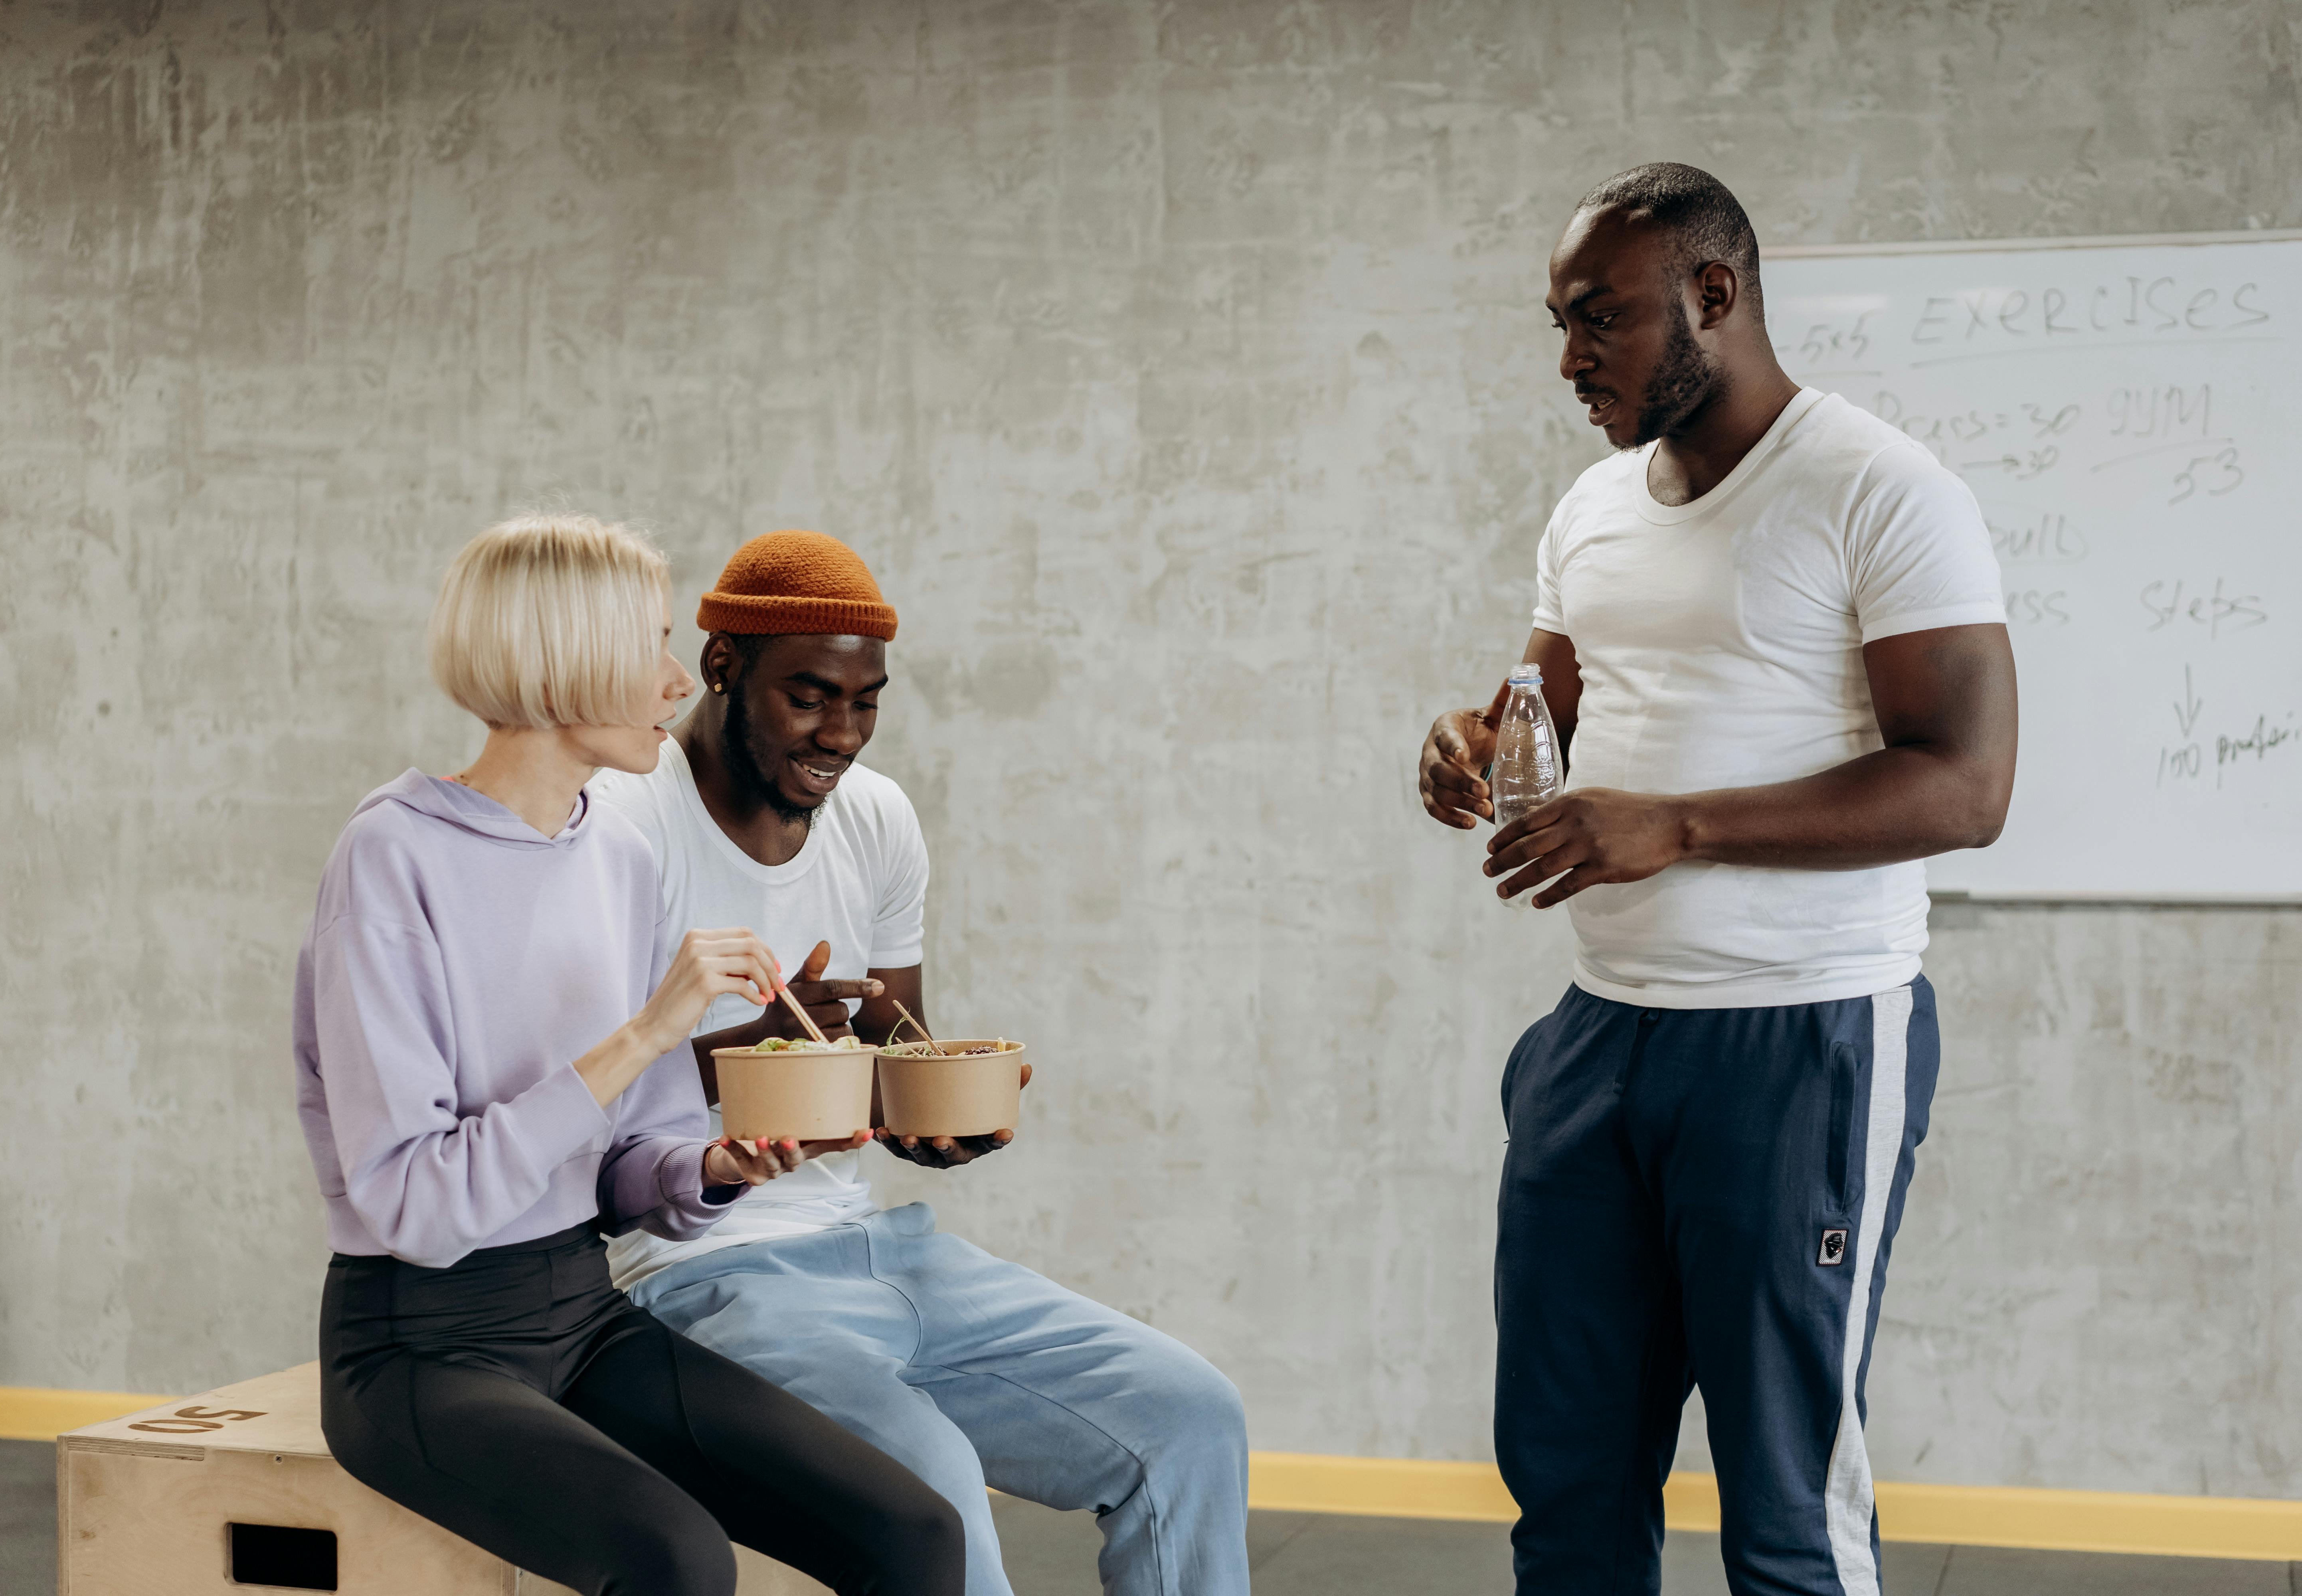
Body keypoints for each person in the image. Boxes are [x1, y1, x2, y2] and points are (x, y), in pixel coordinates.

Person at [1416, 166, 2017, 1596]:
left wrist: (1678, 826)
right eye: (1561, 324)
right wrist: (1463, 743)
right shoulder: (1592, 508)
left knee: (1787, 1513)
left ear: (1717, 295)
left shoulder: (1882, 488)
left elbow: (1967, 786)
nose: (1571, 359)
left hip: (1803, 1040)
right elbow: (1533, 714)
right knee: (1566, 1490)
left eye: (1602, 320)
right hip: (1600, 1036)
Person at [295, 513, 965, 1596]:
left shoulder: (612, 849)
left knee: (914, 1532)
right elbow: (415, 1208)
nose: (673, 683)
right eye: (650, 648)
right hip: (419, 1344)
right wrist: (649, 1032)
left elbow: (630, 1164)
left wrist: (712, 1167)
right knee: (675, 1561)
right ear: (565, 669)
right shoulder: (393, 858)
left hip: (586, 1310)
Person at [590, 530, 1252, 1596]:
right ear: (721, 667)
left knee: (1190, 1414)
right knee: (934, 1489)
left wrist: (945, 1122)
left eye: (866, 701)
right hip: (699, 1275)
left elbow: (895, 1043)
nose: (841, 734)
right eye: (808, 696)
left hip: (876, 1248)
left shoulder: (877, 819)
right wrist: (756, 1049)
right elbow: (579, 1106)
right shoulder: (621, 826)